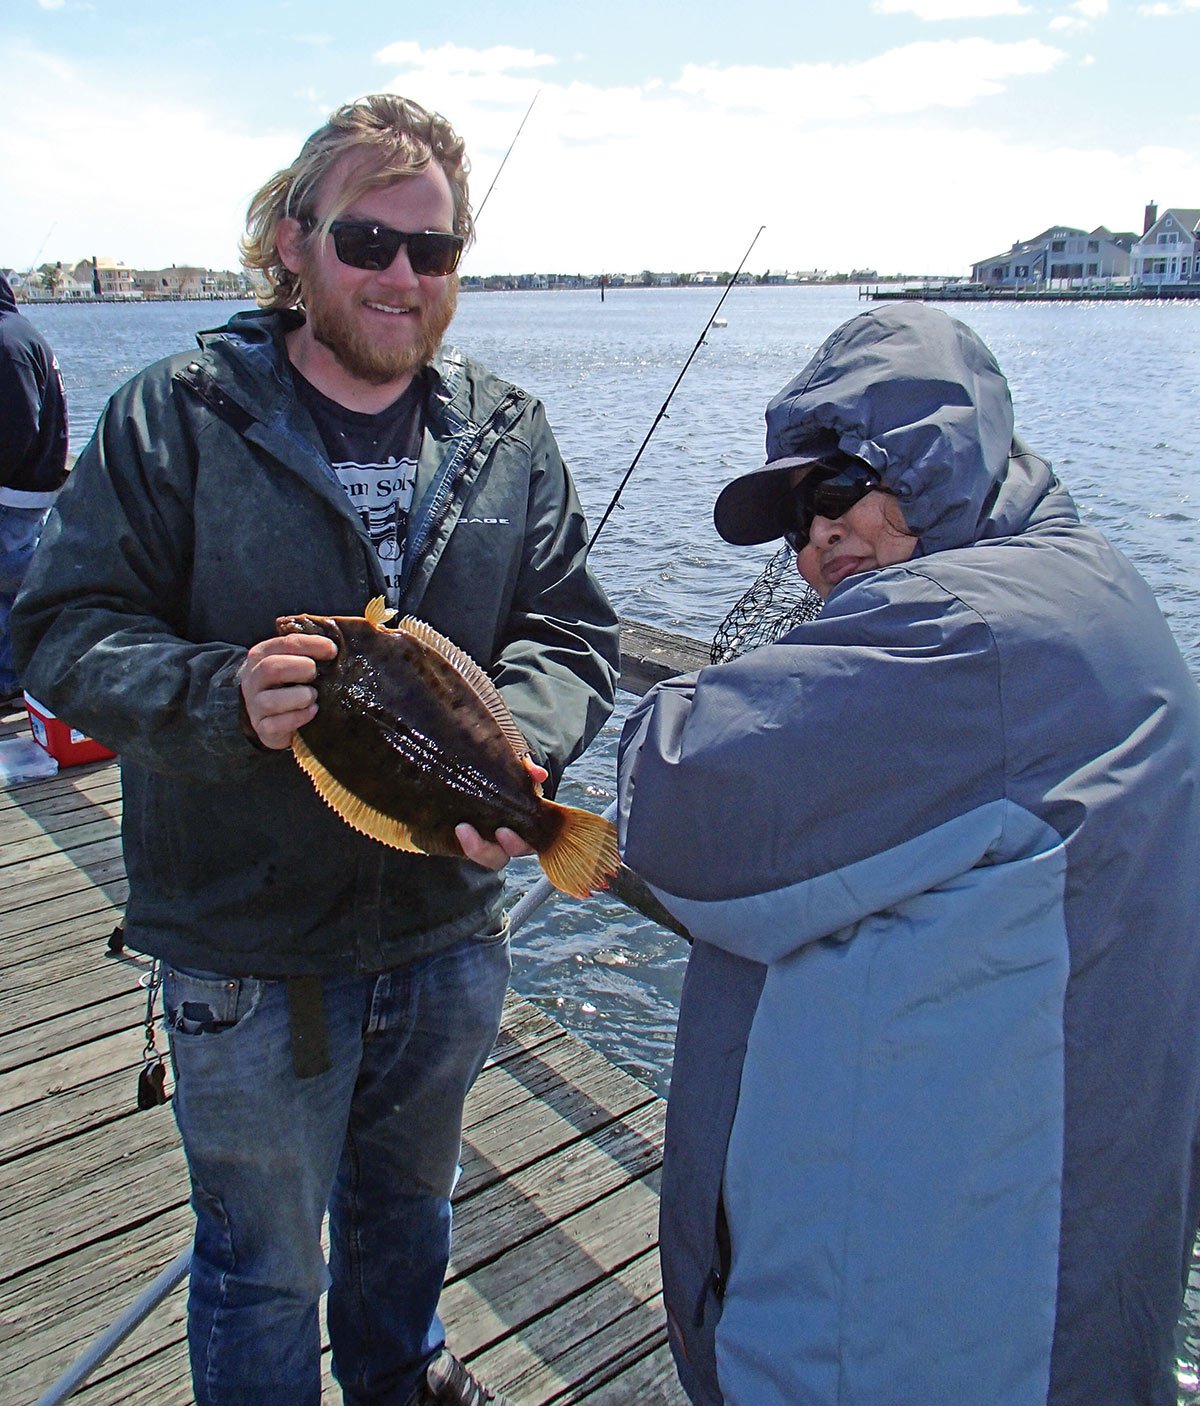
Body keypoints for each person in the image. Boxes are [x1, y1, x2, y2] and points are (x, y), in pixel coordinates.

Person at [13, 94, 619, 1406]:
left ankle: (401, 1375)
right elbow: (60, 632)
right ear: (292, 242)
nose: (403, 275)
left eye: (434, 249)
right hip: (245, 944)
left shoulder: (506, 434)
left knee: (410, 1214)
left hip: (449, 930)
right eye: (366, 238)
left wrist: (524, 749)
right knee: (263, 1261)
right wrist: (215, 690)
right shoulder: (173, 419)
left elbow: (572, 630)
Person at [616, 303, 1200, 1406]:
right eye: (796, 518)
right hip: (1054, 1282)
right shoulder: (1092, 584)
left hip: (918, 1336)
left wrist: (702, 696)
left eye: (837, 489)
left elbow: (683, 802)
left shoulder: (956, 631)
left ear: (936, 460)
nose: (815, 539)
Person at [0, 271, 68, 703]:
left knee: (17, 574)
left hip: (14, 490)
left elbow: (17, 424)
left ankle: (15, 676)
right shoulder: (20, 332)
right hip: (30, 485)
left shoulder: (6, 341)